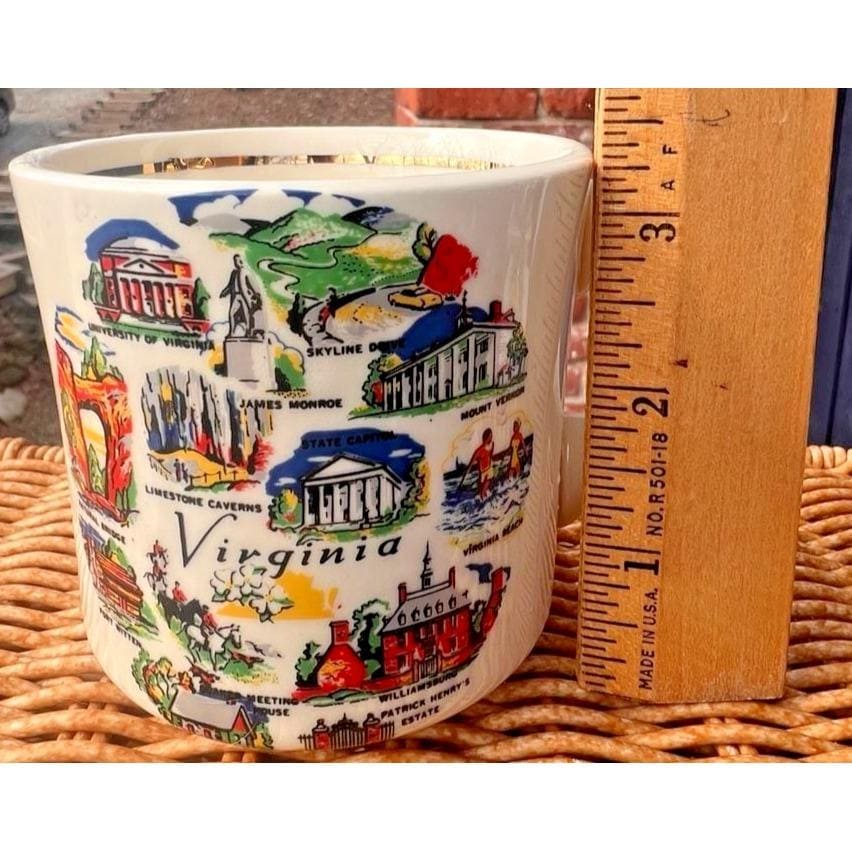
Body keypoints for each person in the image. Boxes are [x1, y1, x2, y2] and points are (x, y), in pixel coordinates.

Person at [220, 254, 262, 337]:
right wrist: (224, 292)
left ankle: (248, 331)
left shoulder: (245, 272)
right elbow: (230, 285)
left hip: (244, 296)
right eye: (235, 261)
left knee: (246, 314)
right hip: (235, 296)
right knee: (232, 313)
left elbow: (251, 284)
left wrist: (256, 294)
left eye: (238, 261)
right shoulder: (234, 273)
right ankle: (231, 332)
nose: (236, 263)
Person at [463, 428, 495, 501]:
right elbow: (472, 461)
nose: (491, 438)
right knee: (483, 488)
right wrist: (468, 470)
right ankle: (483, 501)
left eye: (491, 436)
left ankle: (485, 497)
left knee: (487, 484)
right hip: (483, 471)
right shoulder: (479, 451)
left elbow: (490, 455)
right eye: (490, 437)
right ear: (486, 437)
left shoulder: (490, 446)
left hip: (489, 468)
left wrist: (492, 451)